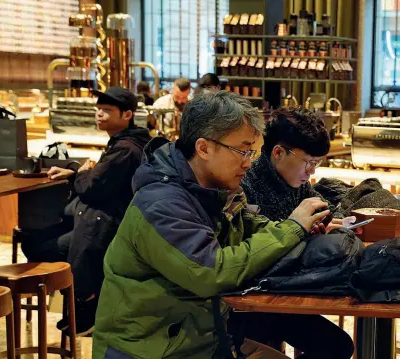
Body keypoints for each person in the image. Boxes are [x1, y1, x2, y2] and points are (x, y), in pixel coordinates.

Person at [92, 91, 336, 359]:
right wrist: (292, 227)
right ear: (204, 148)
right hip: (146, 350)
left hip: (203, 341)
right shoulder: (162, 204)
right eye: (242, 151)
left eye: (251, 152)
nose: (248, 162)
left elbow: (249, 226)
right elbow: (211, 272)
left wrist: (303, 230)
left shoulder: (215, 191)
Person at [238, 107, 355, 358]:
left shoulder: (297, 182)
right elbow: (251, 249)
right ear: (278, 153)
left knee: (338, 345)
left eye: (317, 163)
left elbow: (325, 208)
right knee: (336, 347)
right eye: (309, 163)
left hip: (288, 292)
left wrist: (325, 223)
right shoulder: (244, 186)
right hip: (253, 300)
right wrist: (300, 230)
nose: (312, 171)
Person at [45, 87, 151, 335]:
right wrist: (78, 171)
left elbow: (92, 187)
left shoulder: (125, 149)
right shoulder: (129, 141)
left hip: (110, 225)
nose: (99, 115)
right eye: (98, 109)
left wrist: (82, 172)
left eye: (107, 110)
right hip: (116, 220)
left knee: (45, 246)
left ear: (127, 115)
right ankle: (77, 307)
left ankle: (86, 309)